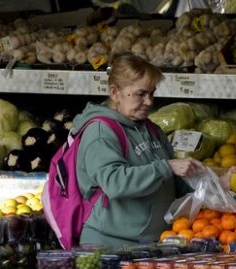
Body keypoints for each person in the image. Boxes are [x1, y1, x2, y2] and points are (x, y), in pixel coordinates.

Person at [73, 53, 206, 247]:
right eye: (140, 94)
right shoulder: (100, 132)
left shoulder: (151, 130)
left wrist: (212, 184)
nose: (149, 102)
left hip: (152, 244)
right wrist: (166, 167)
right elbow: (115, 183)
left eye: (152, 93)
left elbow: (174, 184)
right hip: (109, 246)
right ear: (114, 92)